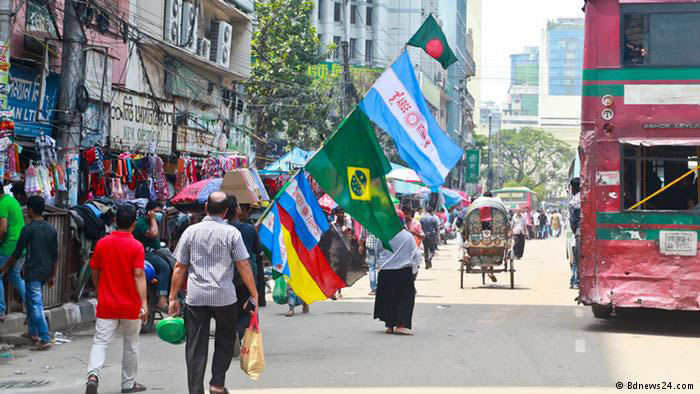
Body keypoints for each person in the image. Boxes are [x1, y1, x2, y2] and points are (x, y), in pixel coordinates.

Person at [168, 191, 258, 394]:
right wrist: (254, 294)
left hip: (196, 297)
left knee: (195, 345)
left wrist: (172, 298)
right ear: (226, 212)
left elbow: (180, 267)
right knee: (225, 340)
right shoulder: (232, 234)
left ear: (206, 208)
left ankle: (195, 390)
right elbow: (243, 264)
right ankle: (217, 384)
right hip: (225, 296)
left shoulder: (191, 232)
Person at [85, 204, 148, 394]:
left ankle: (93, 375)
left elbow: (94, 272)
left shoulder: (102, 243)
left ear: (114, 221)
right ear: (133, 225)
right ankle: (128, 384)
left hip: (107, 303)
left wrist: (100, 290)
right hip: (131, 305)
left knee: (100, 342)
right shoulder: (137, 246)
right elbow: (138, 275)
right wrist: (144, 303)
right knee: (131, 344)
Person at [0, 196, 57, 350]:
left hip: (33, 272)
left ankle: (44, 337)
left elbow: (17, 253)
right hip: (45, 271)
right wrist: (53, 275)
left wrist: (4, 267)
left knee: (36, 305)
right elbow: (55, 255)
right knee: (32, 302)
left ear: (30, 211)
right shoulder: (51, 229)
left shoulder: (28, 229)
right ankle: (32, 331)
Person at [226, 196, 263, 341]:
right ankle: (239, 332)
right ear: (236, 209)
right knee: (248, 312)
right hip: (244, 277)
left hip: (224, 278)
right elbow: (257, 252)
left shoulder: (221, 230)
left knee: (229, 311)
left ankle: (231, 334)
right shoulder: (248, 229)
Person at [374, 228, 422, 336]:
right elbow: (415, 254)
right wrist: (415, 270)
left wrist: (381, 265)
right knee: (404, 298)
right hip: (403, 271)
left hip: (386, 272)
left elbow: (377, 252)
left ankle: (390, 325)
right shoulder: (407, 236)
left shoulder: (383, 235)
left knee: (388, 298)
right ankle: (401, 325)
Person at [132, 200, 171, 310]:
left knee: (173, 262)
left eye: (160, 212)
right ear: (149, 212)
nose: (158, 215)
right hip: (143, 254)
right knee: (164, 267)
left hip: (154, 251)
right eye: (155, 212)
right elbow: (153, 235)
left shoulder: (150, 222)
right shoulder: (141, 223)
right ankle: (162, 299)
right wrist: (153, 219)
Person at [0, 186, 25, 320]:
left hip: (9, 246)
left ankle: (1, 310)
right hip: (20, 245)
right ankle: (29, 306)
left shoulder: (2, 204)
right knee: (15, 276)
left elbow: (3, 229)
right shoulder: (12, 200)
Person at [238, 203, 266, 307]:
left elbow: (257, 250)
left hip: (248, 264)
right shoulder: (249, 228)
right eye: (239, 208)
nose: (240, 211)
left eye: (243, 208)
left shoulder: (251, 226)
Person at [360, 226, 381, 296]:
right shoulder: (380, 217)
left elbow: (363, 235)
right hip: (380, 245)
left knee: (372, 267)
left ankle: (374, 288)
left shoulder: (366, 219)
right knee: (380, 267)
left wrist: (361, 245)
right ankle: (381, 286)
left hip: (370, 246)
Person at [569, 178, 582, 289]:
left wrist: (576, 232)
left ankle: (575, 281)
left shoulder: (574, 201)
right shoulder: (588, 197)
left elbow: (572, 221)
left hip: (579, 231)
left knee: (577, 258)